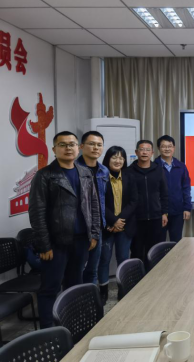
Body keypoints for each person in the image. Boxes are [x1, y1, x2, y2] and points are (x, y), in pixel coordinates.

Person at [29, 131, 100, 328]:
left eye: (72, 144)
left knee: (74, 285)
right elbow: (37, 213)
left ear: (79, 148)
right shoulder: (44, 175)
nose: (68, 148)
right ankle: (47, 332)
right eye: (63, 145)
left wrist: (94, 234)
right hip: (55, 243)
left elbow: (94, 206)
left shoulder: (85, 172)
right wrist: (44, 245)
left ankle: (72, 326)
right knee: (50, 288)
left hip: (81, 240)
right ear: (54, 149)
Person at [97, 146, 138, 304]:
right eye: (114, 157)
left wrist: (119, 221)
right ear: (107, 159)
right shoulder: (100, 176)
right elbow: (99, 201)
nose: (118, 160)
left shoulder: (129, 176)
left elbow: (134, 201)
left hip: (124, 226)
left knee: (123, 258)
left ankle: (123, 289)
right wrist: (113, 221)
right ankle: (103, 291)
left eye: (121, 158)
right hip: (106, 226)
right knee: (104, 260)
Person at [77, 131, 109, 285]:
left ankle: (91, 299)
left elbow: (104, 199)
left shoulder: (104, 171)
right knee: (76, 271)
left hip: (97, 227)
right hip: (79, 228)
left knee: (92, 269)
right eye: (91, 144)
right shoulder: (74, 169)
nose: (96, 148)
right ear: (81, 146)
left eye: (99, 145)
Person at [129, 140, 169, 263]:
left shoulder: (158, 170)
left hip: (156, 217)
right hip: (136, 219)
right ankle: (137, 275)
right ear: (136, 152)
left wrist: (164, 213)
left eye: (147, 150)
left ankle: (154, 274)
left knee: (155, 252)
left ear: (152, 153)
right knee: (137, 251)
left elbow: (164, 193)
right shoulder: (129, 171)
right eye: (141, 149)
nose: (144, 152)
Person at [157, 135, 192, 242]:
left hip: (177, 211)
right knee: (159, 242)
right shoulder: (154, 166)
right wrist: (161, 212)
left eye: (170, 146)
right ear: (158, 148)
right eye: (164, 146)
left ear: (174, 148)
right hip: (159, 212)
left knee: (176, 242)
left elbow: (186, 188)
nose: (167, 149)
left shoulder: (181, 166)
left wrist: (187, 208)